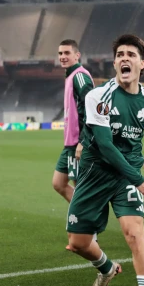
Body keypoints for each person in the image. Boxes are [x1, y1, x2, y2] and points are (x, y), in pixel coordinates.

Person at [66, 34, 144, 286]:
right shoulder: (98, 96)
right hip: (95, 173)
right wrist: (140, 179)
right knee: (78, 243)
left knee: (135, 234)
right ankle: (107, 267)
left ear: (142, 63)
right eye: (120, 54)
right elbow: (105, 145)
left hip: (127, 176)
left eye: (131, 55)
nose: (125, 58)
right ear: (114, 63)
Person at [52, 40, 93, 201]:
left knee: (81, 187)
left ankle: (85, 215)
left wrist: (83, 141)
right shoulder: (70, 75)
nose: (63, 56)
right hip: (70, 144)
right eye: (60, 53)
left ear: (77, 55)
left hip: (78, 143)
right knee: (58, 183)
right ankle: (81, 213)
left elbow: (91, 110)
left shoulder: (80, 76)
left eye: (67, 53)